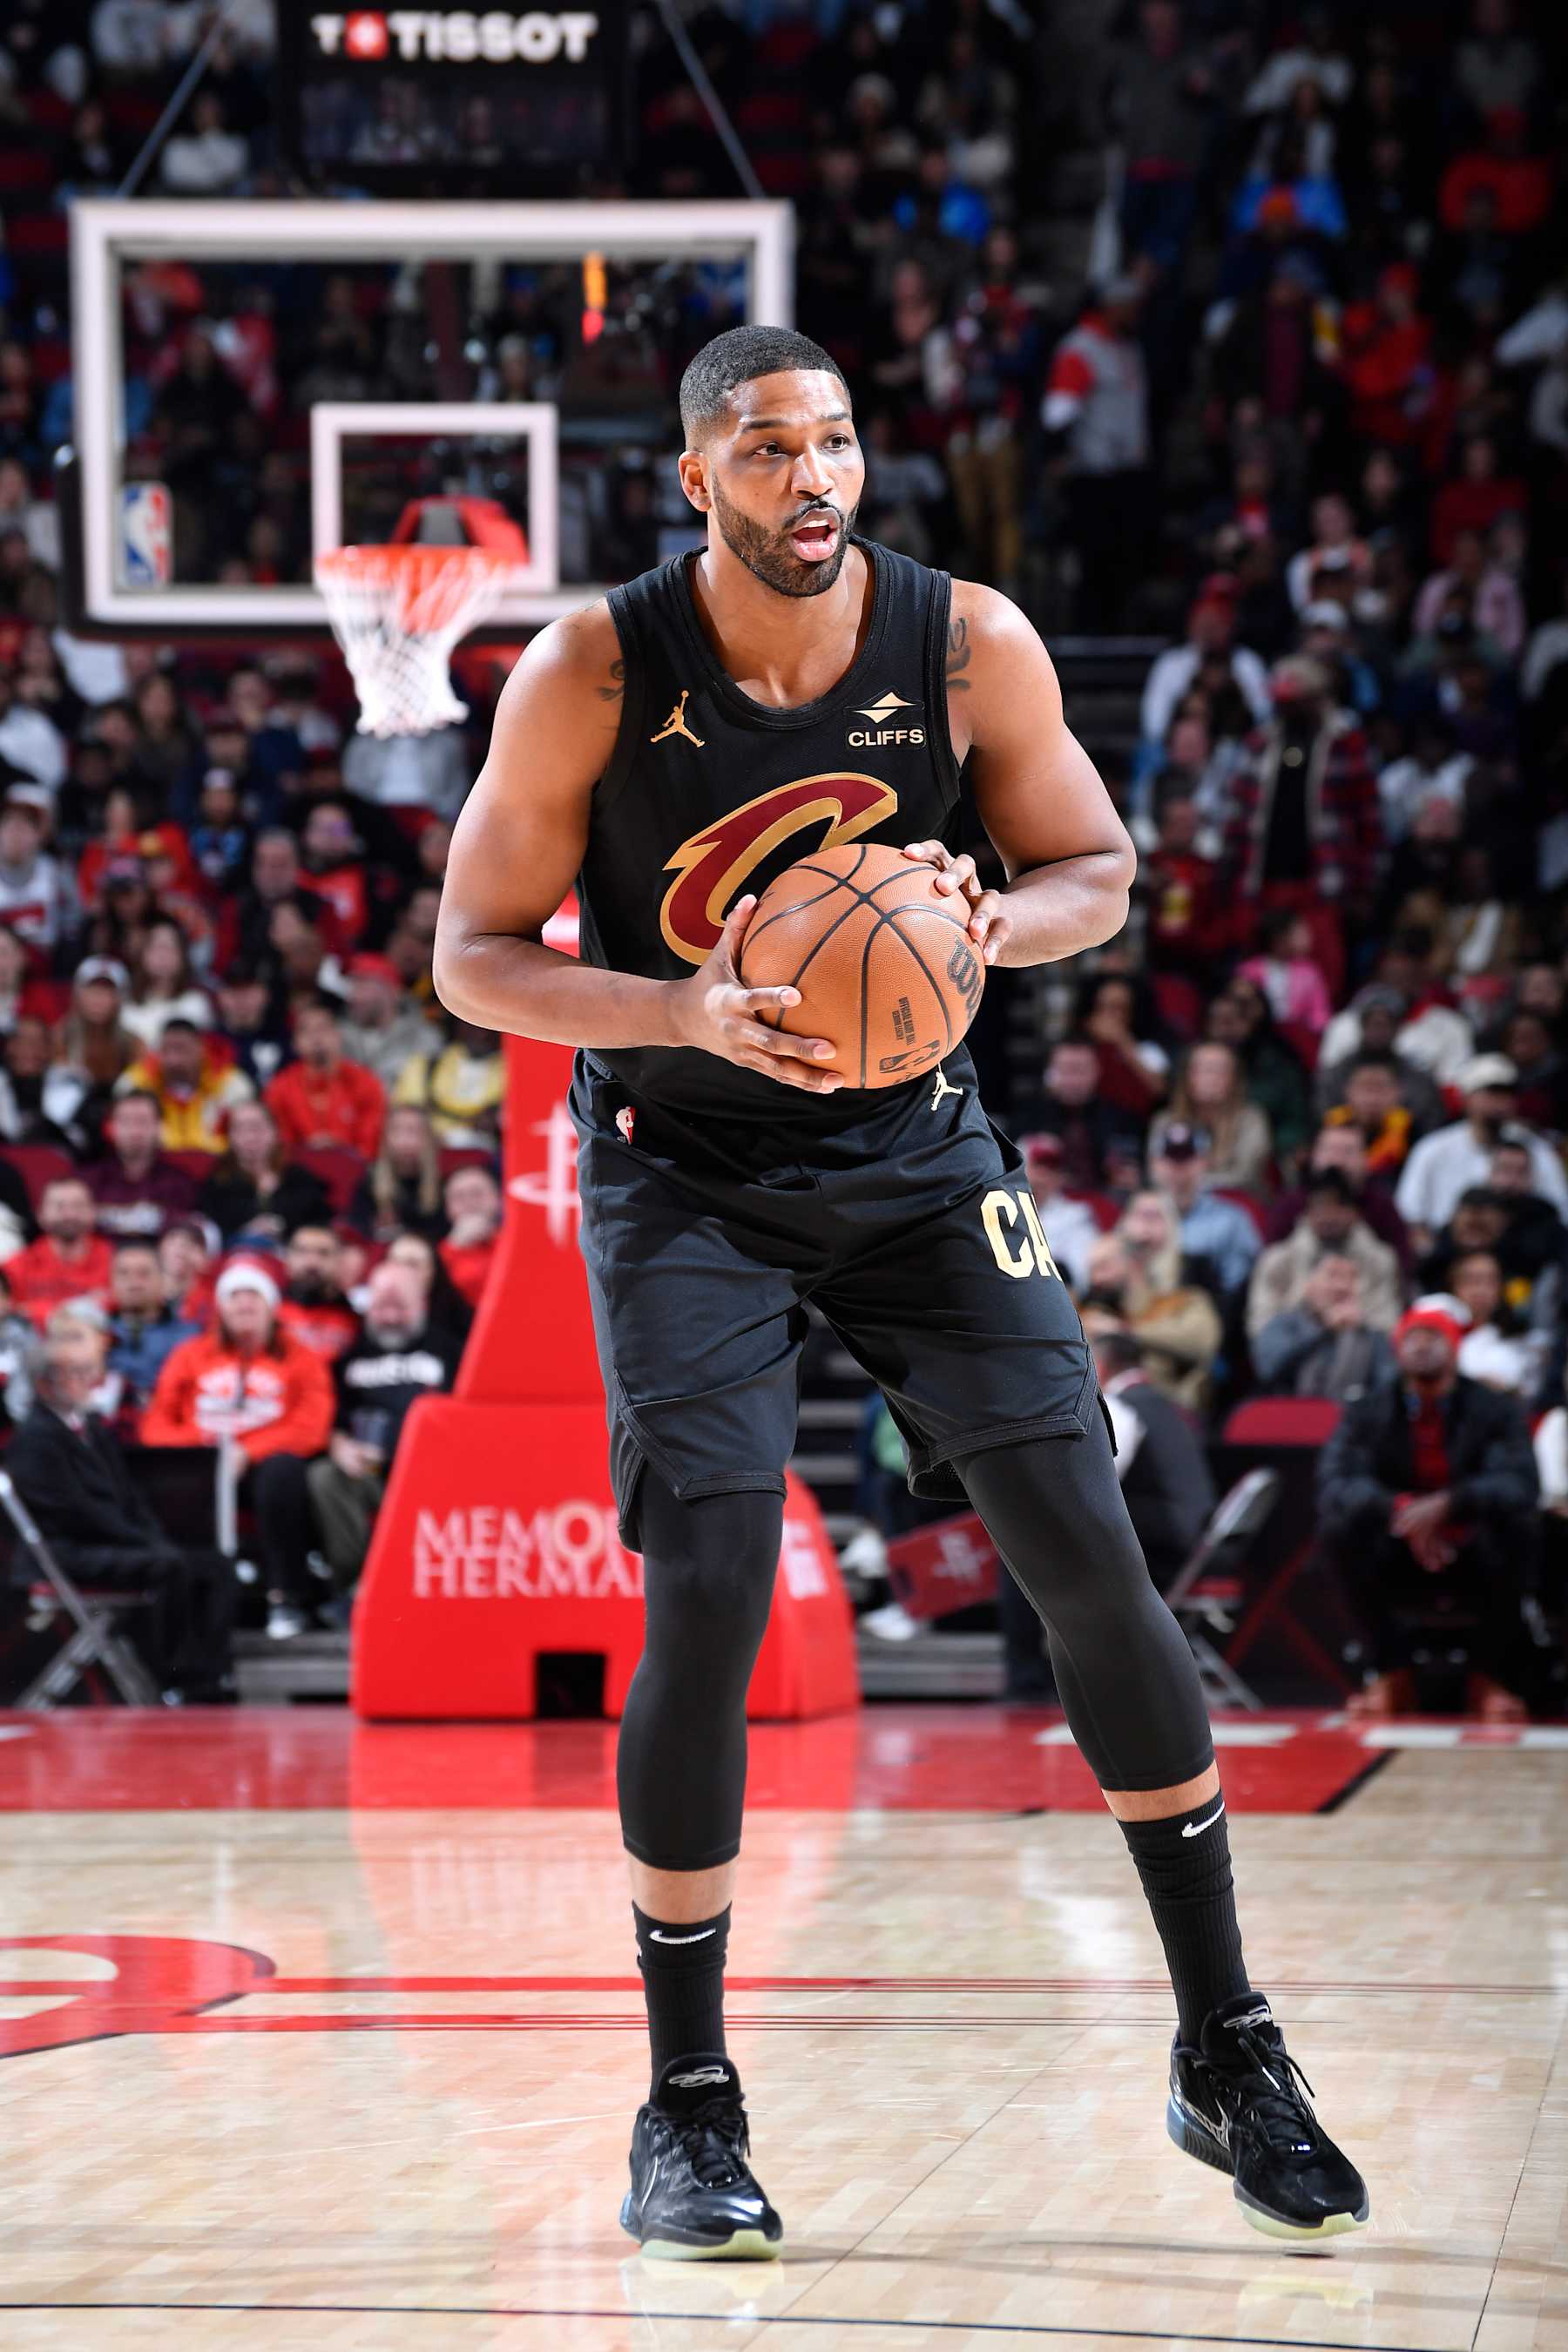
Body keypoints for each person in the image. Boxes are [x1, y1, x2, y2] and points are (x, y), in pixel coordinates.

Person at [433, 325, 1367, 2251]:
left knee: (1087, 1553)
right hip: (687, 1171)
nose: (814, 479)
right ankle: (686, 2105)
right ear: (695, 477)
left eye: (839, 442)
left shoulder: (966, 641)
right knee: (704, 1580)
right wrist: (678, 1008)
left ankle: (1227, 2046)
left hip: (923, 1164)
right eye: (769, 449)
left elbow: (1097, 865)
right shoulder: (597, 665)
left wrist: (978, 923)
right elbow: (473, 956)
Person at [1316, 1298, 1536, 1723]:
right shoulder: (1367, 1410)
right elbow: (1336, 1482)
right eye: (1411, 1336)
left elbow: (1520, 1483)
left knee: (1524, 1526)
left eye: (1432, 1335)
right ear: (1397, 1348)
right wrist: (1399, 1508)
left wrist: (1451, 1504)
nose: (1420, 1346)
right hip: (1395, 1545)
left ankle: (1487, 1679)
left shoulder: (1495, 1409)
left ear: (1455, 1347)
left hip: (1473, 1545)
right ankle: (1391, 1674)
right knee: (1338, 1529)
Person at [6, 1308, 235, 1701]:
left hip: (109, 1542)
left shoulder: (93, 1429)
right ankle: (173, 1676)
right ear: (45, 1384)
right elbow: (74, 1514)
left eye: (87, 1371)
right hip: (68, 1554)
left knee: (214, 1566)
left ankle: (212, 1677)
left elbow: (131, 1497)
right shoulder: (35, 1439)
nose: (88, 1382)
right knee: (169, 1566)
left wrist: (151, 1535)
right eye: (74, 1373)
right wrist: (143, 1543)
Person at [142, 1259, 335, 1640]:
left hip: (265, 1467)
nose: (245, 1305)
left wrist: (248, 1451)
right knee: (175, 1480)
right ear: (220, 1308)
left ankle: (287, 1599)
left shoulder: (302, 1357)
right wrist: (207, 1450)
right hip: (203, 1462)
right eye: (235, 1297)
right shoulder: (190, 1356)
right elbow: (156, 1425)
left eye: (254, 1297)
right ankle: (189, 1609)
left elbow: (313, 1424)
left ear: (272, 1307)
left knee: (283, 1474)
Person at [307, 1258, 462, 1589]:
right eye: (380, 1307)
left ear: (421, 1303)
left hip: (435, 1471)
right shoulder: (350, 1356)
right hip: (370, 1474)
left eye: (400, 1307)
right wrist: (340, 1445)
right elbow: (328, 1418)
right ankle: (355, 1584)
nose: (390, 1318)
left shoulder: (450, 1351)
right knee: (324, 1476)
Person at [1396, 1053, 1568, 1253]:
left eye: (1507, 1094)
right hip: (1448, 1255)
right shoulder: (1433, 1149)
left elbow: (1561, 1213)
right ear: (1466, 1098)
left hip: (1520, 1257)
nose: (1500, 1102)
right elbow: (1409, 1217)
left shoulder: (1536, 1149)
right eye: (1491, 1093)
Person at [1089, 1321, 1217, 1589]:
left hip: (1162, 1546)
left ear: (1099, 1367)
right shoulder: (1170, 1404)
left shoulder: (1119, 1405)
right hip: (1198, 1538)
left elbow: (1099, 1477)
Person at [1246, 1168, 1403, 1342]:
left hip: (1362, 1355)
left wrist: (1355, 1320)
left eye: (1339, 1206)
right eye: (1321, 1206)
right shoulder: (1277, 1261)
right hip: (1296, 1358)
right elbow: (1260, 1331)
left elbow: (1390, 1326)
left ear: (1355, 1212)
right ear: (1307, 1212)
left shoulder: (1380, 1260)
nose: (1329, 1216)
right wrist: (1308, 1309)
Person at [1251, 1254, 1396, 1402]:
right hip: (1290, 1417)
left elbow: (1386, 1389)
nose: (1342, 1287)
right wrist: (1325, 1333)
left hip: (1352, 1420)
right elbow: (1271, 1372)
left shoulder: (1371, 1336)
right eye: (1332, 1276)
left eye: (1351, 1278)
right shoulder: (1284, 1325)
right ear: (1308, 1284)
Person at [1147, 1122, 1262, 1300]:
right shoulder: (1140, 1216)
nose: (1179, 1169)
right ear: (1155, 1164)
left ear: (1204, 1162)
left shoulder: (1232, 1220)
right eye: (1171, 1159)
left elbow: (1239, 1289)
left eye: (1187, 1158)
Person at [265, 995, 386, 1159]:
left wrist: (338, 1152)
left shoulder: (365, 1082)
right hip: (298, 1175)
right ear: (295, 1042)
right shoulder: (279, 1088)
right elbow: (279, 1145)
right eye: (306, 1031)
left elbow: (371, 1143)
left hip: (356, 1173)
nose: (316, 1038)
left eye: (323, 1029)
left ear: (338, 1035)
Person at [198, 1098, 332, 1241]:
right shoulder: (217, 1183)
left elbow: (320, 1225)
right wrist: (245, 1234)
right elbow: (209, 1234)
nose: (249, 1137)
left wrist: (283, 1230)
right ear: (230, 1137)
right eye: (240, 1129)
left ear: (275, 1132)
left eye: (256, 1127)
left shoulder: (299, 1180)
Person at [119, 1015, 254, 1153]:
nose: (173, 1060)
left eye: (182, 1049)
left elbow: (246, 1137)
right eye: (166, 1050)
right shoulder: (136, 1083)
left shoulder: (232, 1085)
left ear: (201, 1049)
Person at [105, 1236, 201, 1426]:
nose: (133, 1283)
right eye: (123, 1274)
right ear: (111, 1281)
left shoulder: (190, 1337)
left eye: (144, 1274)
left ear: (163, 1279)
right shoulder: (94, 1332)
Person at [86, 1089, 201, 1240]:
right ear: (111, 1128)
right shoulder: (87, 1181)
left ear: (160, 1127)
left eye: (143, 1121)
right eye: (126, 1122)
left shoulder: (180, 1183)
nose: (135, 1131)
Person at [7, 1177, 114, 1324]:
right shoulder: (16, 1266)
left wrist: (37, 1311)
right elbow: (7, 1310)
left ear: (93, 1212)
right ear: (40, 1215)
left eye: (78, 1206)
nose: (69, 1215)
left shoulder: (115, 1261)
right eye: (59, 1206)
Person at [352, 1102, 446, 1242]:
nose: (404, 1141)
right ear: (385, 1138)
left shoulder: (443, 1182)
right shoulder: (369, 1180)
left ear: (429, 1139)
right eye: (396, 1131)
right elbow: (357, 1229)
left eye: (413, 1131)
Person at [1020, 1132, 1102, 1290]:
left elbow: (1079, 1277)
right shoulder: (997, 1210)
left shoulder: (1076, 1216)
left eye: (1052, 1169)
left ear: (1061, 1176)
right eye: (1037, 1166)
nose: (1043, 1176)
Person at [276, 1223, 359, 1362]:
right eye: (302, 1251)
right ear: (287, 1259)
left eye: (323, 1253)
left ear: (339, 1262)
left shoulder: (356, 1322)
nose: (312, 1263)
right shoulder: (270, 1315)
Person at [437, 1164, 503, 1308]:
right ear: (447, 1208)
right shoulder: (436, 1254)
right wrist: (454, 1247)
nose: (469, 1203)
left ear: (498, 1199)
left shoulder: (514, 1246)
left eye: (477, 1194)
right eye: (459, 1197)